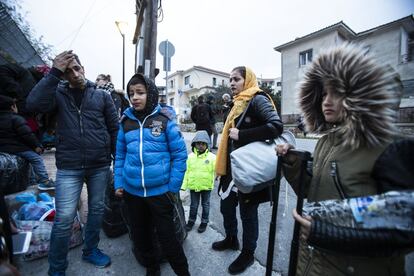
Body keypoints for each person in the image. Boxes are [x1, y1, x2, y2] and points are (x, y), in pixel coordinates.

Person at [276, 44, 408, 276]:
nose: (326, 101)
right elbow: (313, 193)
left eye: (336, 92)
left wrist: (327, 235)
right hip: (315, 264)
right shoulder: (328, 141)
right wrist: (292, 163)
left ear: (360, 95)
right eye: (324, 93)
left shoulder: (390, 146)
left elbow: (404, 230)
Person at [26, 50, 119, 276]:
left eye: (77, 68)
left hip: (99, 164)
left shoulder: (102, 95)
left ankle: (90, 250)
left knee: (96, 210)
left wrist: (119, 162)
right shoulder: (57, 93)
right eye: (68, 71)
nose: (75, 74)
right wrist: (54, 72)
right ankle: (57, 268)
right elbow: (32, 105)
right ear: (63, 75)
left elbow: (114, 129)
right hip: (69, 166)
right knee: (64, 218)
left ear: (84, 69)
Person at [113, 73, 190, 276]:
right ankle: (152, 268)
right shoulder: (125, 122)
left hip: (160, 193)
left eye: (140, 92)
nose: (135, 97)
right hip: (132, 193)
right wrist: (118, 182)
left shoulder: (164, 120)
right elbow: (119, 155)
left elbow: (180, 155)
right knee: (141, 235)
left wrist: (172, 187)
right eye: (131, 94)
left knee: (168, 237)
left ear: (151, 93)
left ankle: (183, 272)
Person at [213, 66, 283, 274]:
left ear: (248, 80)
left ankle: (248, 253)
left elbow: (276, 126)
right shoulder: (236, 103)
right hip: (231, 168)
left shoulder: (257, 99)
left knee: (248, 213)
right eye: (230, 80)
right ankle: (231, 238)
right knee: (226, 207)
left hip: (249, 168)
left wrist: (242, 135)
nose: (232, 83)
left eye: (236, 79)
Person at [0, 95, 55, 190]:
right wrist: (36, 146)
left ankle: (32, 180)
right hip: (17, 148)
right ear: (12, 107)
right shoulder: (16, 119)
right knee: (36, 159)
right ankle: (44, 181)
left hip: (3, 149)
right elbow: (27, 135)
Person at [181, 130, 216, 233]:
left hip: (206, 186)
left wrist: (217, 177)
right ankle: (191, 221)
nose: (200, 146)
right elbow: (186, 172)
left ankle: (204, 222)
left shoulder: (212, 158)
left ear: (207, 145)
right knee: (194, 205)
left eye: (203, 144)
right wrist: (183, 186)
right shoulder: (190, 157)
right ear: (194, 144)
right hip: (194, 186)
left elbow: (218, 170)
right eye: (198, 143)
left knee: (205, 205)